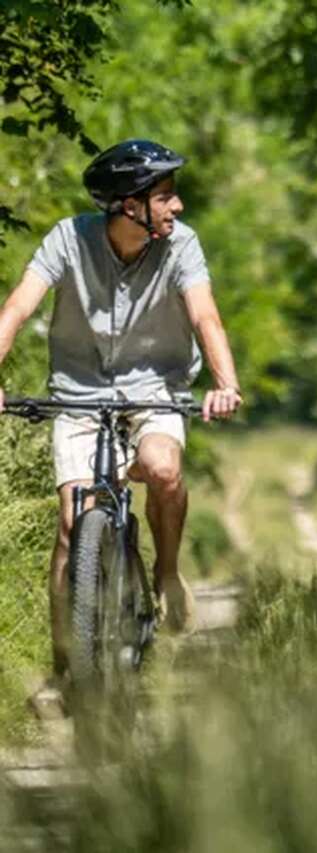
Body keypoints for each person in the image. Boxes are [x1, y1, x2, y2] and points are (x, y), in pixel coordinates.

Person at [0, 139, 242, 709]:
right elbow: (17, 309)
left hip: (156, 388)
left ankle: (167, 573)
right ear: (128, 205)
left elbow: (205, 316)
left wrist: (225, 384)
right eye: (164, 196)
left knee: (160, 468)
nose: (176, 206)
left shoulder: (181, 245)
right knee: (71, 524)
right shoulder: (68, 238)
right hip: (78, 393)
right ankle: (66, 668)